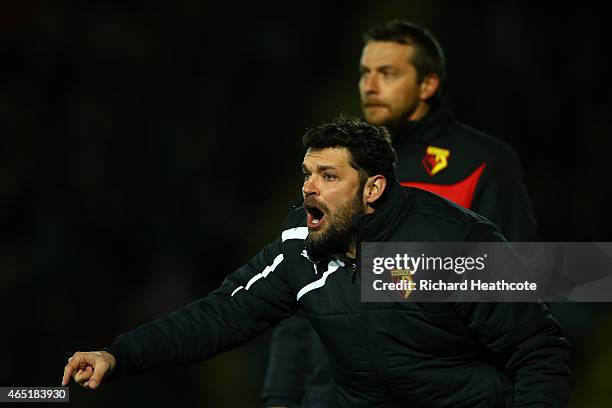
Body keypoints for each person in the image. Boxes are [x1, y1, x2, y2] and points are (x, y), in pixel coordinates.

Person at [63, 117, 571, 407]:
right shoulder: (300, 247)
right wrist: (119, 355)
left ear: (372, 188)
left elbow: (538, 353)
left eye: (328, 176)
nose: (309, 187)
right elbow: (221, 315)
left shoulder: (454, 244)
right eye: (307, 173)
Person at [262, 20, 538, 407]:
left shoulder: (482, 164)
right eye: (365, 73)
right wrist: (279, 396)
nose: (370, 86)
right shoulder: (337, 168)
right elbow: (301, 291)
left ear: (428, 84)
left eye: (388, 73)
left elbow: (513, 289)